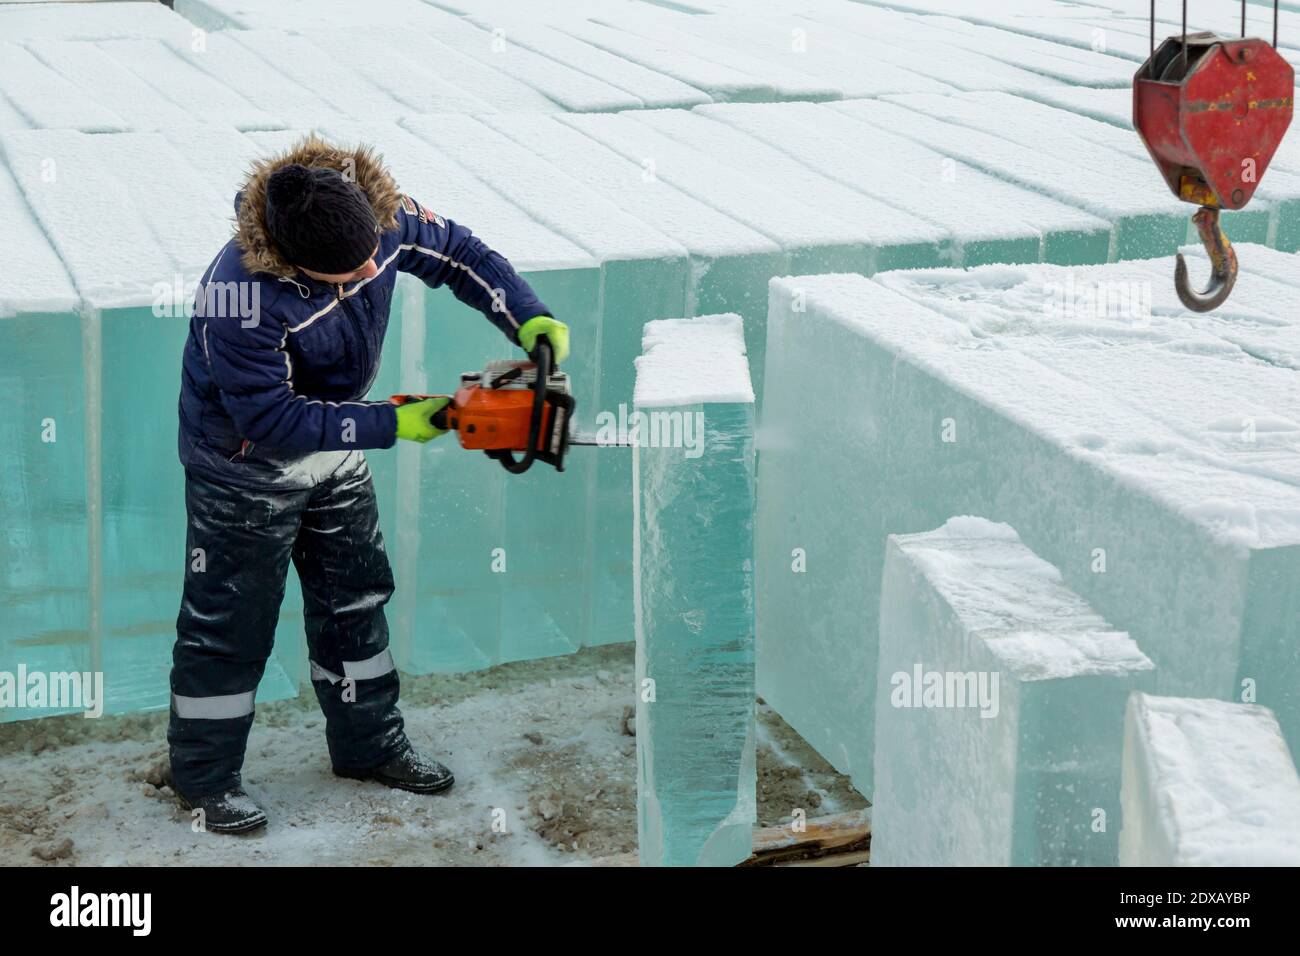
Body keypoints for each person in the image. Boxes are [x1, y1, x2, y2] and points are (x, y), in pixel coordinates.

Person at [170, 135, 569, 833]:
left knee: (356, 599)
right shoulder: (238, 295)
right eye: (344, 279)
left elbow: (463, 256)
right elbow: (271, 419)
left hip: (336, 441)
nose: (364, 278)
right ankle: (203, 779)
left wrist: (527, 315)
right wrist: (395, 423)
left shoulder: (381, 217)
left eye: (369, 266)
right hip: (243, 467)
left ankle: (369, 744)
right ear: (296, 263)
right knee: (231, 625)